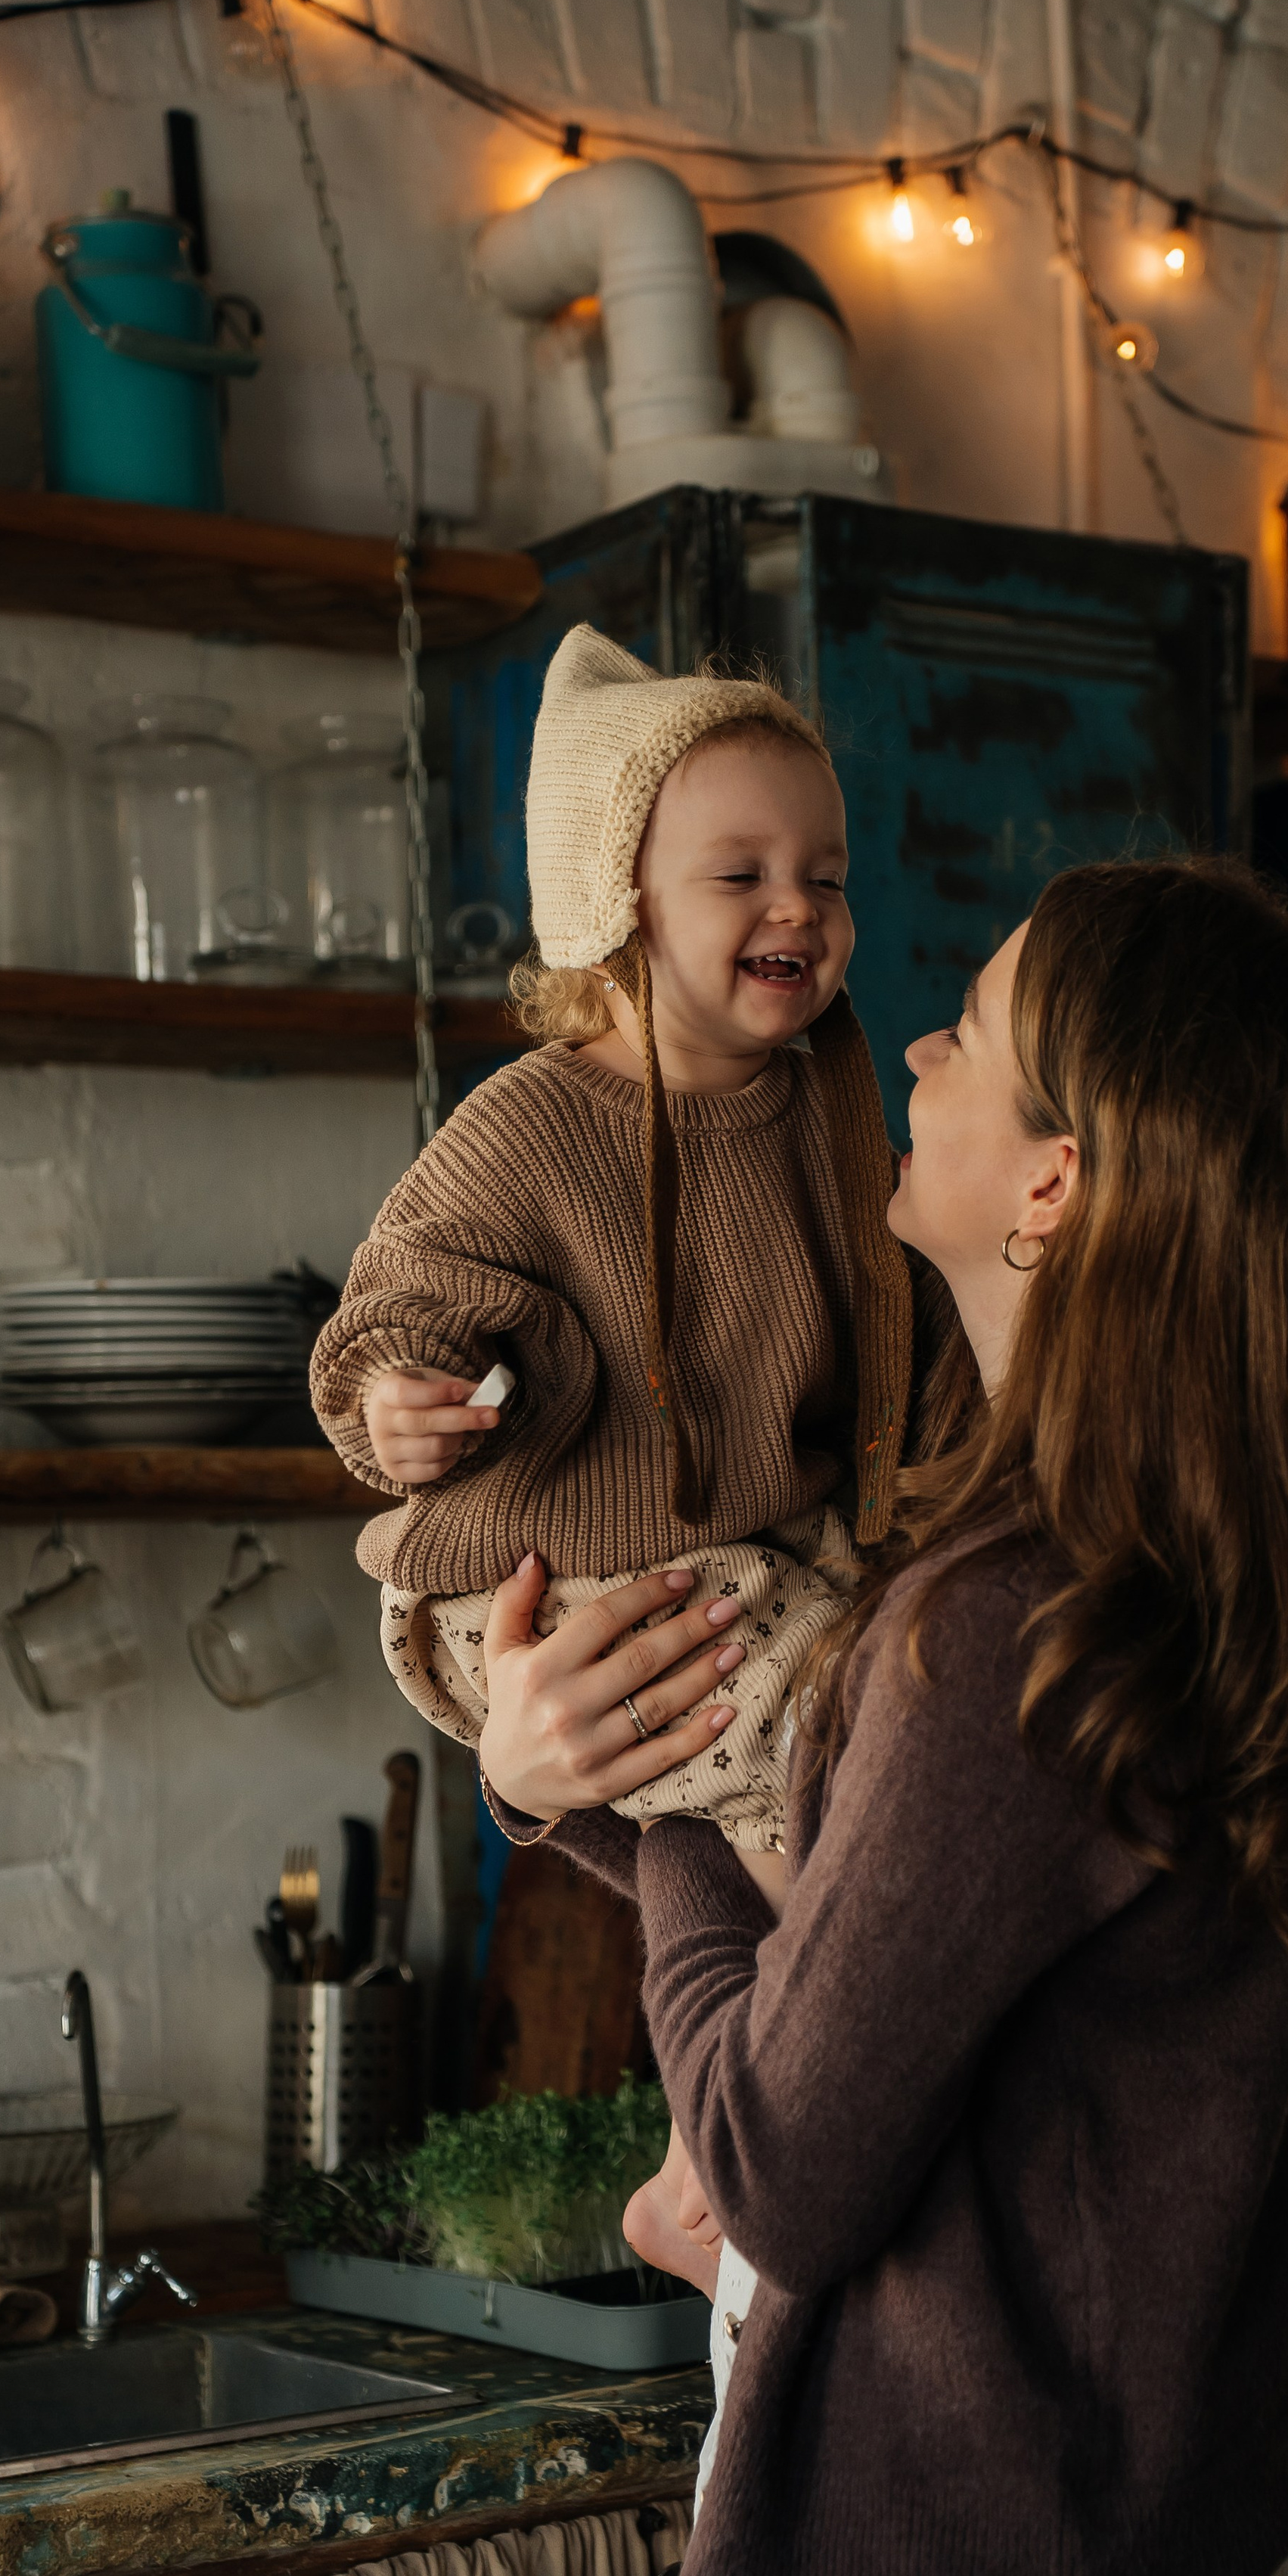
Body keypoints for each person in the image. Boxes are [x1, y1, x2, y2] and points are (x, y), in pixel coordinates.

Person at [473, 859, 1288, 2576]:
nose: (920, 1045)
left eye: (977, 1027)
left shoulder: (1004, 1623)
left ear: (1054, 1185)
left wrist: (656, 1805)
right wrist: (570, 1792)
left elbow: (778, 2163)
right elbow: (961, 2022)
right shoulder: (1204, 1573)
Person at [310, 622, 913, 2288]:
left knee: (832, 1742)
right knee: (836, 1774)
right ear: (614, 904)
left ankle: (694, 2172)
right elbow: (396, 1304)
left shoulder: (825, 1107)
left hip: (736, 1547)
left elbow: (884, 1346)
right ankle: (804, 2132)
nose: (798, 908)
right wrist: (398, 1401)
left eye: (826, 873)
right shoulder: (530, 1118)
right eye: (741, 873)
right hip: (533, 1565)